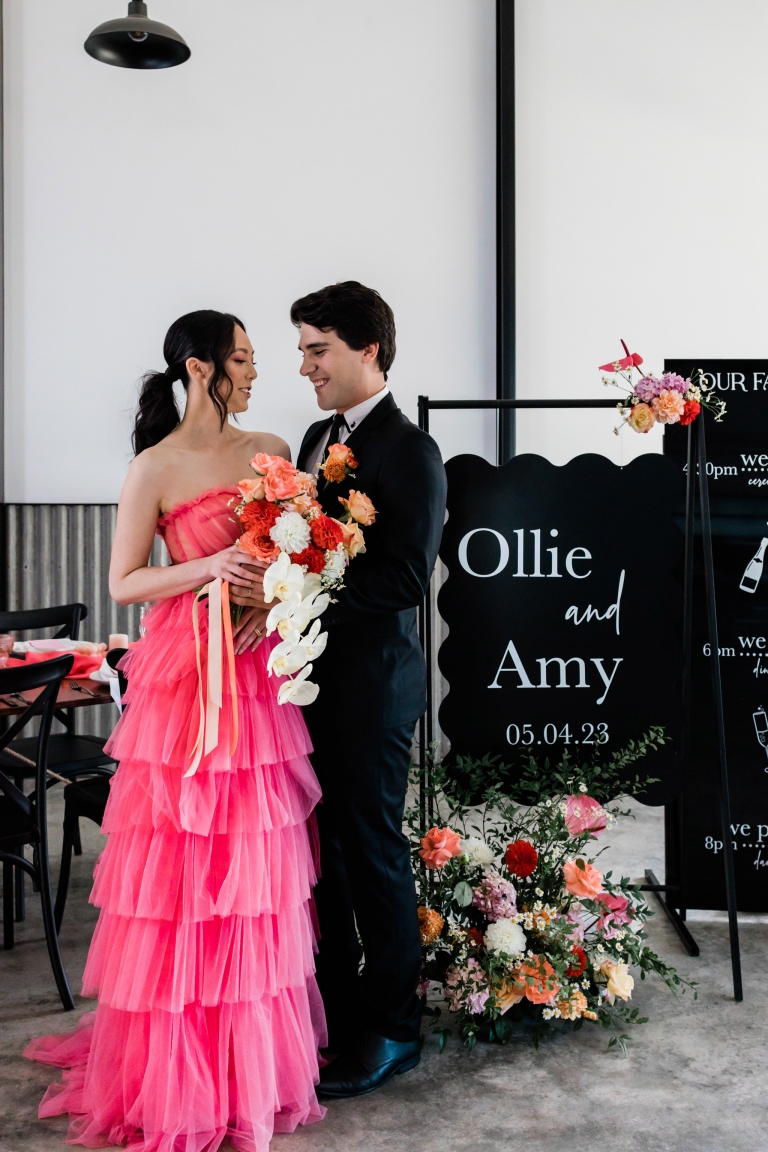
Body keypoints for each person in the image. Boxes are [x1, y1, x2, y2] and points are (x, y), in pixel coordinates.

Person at [24, 310, 327, 1150]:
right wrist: (209, 567)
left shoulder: (269, 443)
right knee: (185, 872)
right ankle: (176, 1068)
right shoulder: (153, 466)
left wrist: (276, 588)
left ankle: (247, 1068)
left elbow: (305, 554)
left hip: (259, 670)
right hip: (186, 678)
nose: (257, 372)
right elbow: (125, 581)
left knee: (255, 866)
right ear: (199, 369)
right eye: (242, 358)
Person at [294, 282, 447, 1096]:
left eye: (318, 349)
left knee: (375, 854)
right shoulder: (317, 437)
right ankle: (340, 1015)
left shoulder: (407, 450)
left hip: (373, 688)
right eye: (302, 351)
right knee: (327, 861)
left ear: (368, 350)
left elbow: (401, 579)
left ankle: (394, 1031)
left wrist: (298, 601)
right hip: (310, 683)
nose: (305, 367)